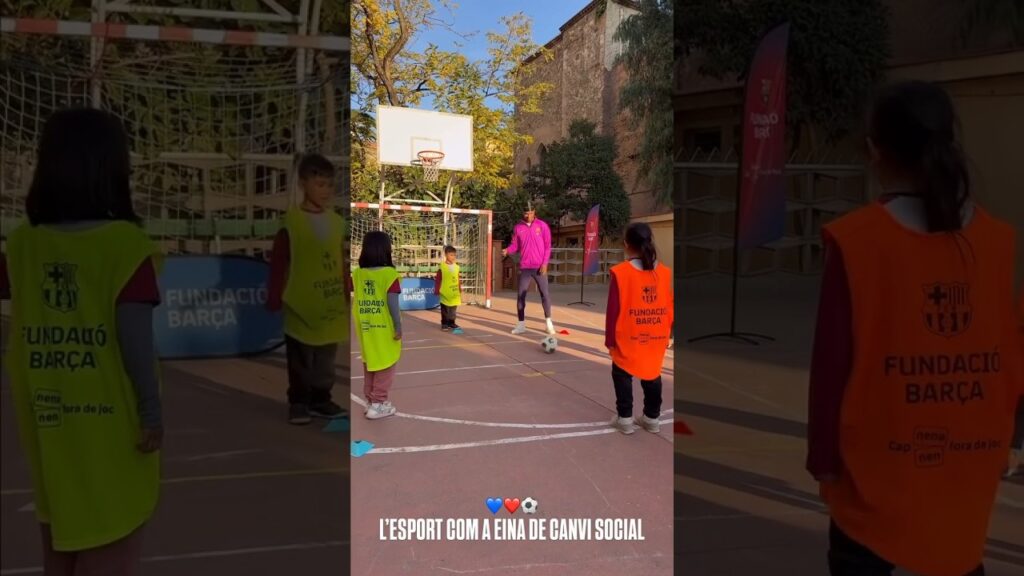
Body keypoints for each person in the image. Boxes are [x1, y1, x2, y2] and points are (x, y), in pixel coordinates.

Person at [806, 81, 1022, 576]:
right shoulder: (997, 241)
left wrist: (824, 458)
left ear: (874, 151)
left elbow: (832, 364)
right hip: (971, 457)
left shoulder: (856, 240)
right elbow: (1010, 353)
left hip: (880, 466)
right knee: (958, 558)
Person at [0, 108, 162, 575]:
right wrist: (151, 411)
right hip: (112, 429)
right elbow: (134, 340)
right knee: (112, 533)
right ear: (113, 170)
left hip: (50, 425)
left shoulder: (25, 245)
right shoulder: (124, 247)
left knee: (62, 538)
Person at [267, 153, 346, 425]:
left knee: (326, 361)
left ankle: (321, 399)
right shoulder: (293, 221)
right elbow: (279, 260)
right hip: (301, 303)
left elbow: (340, 259)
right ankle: (299, 402)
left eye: (328, 185)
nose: (324, 190)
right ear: (303, 183)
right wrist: (275, 295)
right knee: (301, 359)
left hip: (329, 303)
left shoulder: (336, 222)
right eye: (319, 184)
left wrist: (346, 290)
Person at [605, 222, 673, 435]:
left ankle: (625, 418)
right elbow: (668, 304)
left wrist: (610, 339)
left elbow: (613, 310)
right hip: (657, 333)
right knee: (652, 374)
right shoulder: (663, 272)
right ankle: (652, 418)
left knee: (622, 373)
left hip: (629, 334)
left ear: (626, 245)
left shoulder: (621, 272)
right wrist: (670, 332)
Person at [351, 231, 403, 420]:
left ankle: (370, 401)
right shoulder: (389, 274)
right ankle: (378, 403)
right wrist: (398, 326)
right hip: (383, 327)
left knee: (370, 363)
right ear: (386, 251)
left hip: (365, 326)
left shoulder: (358, 274)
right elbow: (392, 305)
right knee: (386, 364)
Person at [502, 203, 555, 335]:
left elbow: (548, 246)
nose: (528, 215)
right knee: (521, 296)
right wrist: (507, 250)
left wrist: (545, 263)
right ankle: (521, 324)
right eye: (526, 213)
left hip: (539, 267)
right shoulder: (518, 228)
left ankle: (548, 323)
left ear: (534, 212)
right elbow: (515, 246)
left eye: (531, 213)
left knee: (545, 294)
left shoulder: (542, 226)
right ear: (523, 214)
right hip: (525, 267)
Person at [434, 245, 462, 331]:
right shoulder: (442, 267)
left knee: (453, 311)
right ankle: (444, 323)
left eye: (454, 255)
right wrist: (437, 289)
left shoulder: (457, 267)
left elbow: (458, 278)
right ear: (446, 255)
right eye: (451, 255)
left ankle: (451, 323)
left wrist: (460, 288)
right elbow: (438, 279)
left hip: (454, 293)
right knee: (445, 310)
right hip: (445, 292)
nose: (453, 257)